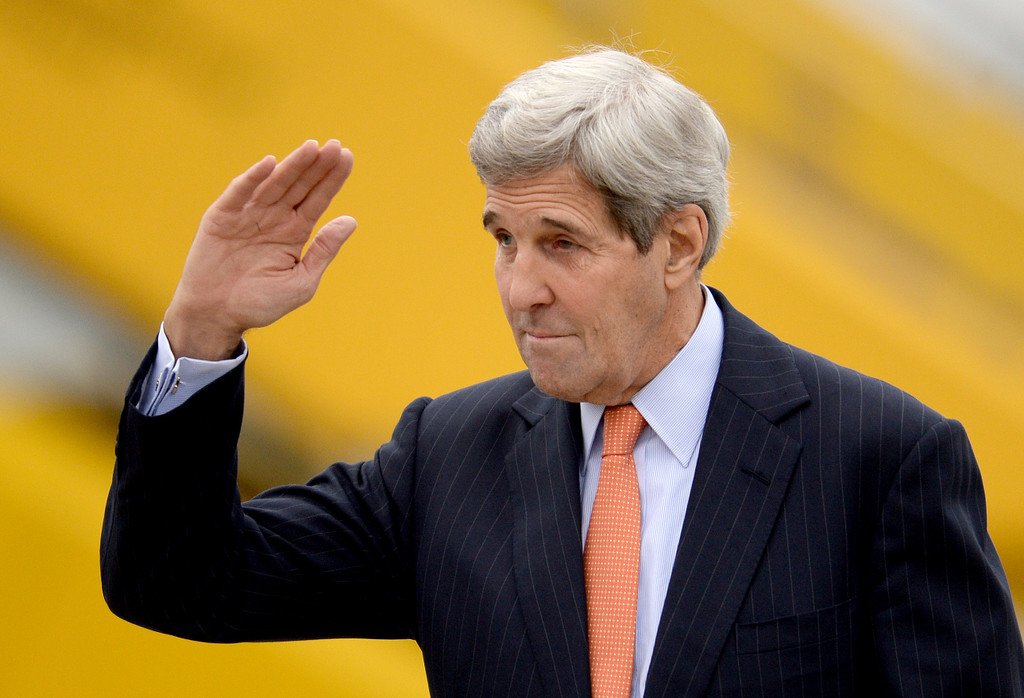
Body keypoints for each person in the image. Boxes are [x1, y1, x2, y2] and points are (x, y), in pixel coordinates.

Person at [101, 48, 1023, 697]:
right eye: (504, 240)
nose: (521, 289)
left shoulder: (877, 457)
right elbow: (179, 580)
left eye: (562, 244)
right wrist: (202, 329)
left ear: (679, 242)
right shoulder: (447, 456)